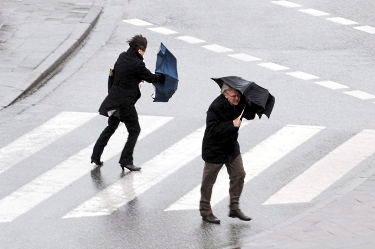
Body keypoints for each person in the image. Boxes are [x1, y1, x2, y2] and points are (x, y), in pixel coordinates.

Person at [91, 34, 165, 171]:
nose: (145, 52)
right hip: (124, 103)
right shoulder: (137, 64)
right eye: (144, 50)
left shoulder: (122, 56)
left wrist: (136, 79)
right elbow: (151, 77)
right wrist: (163, 77)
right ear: (140, 49)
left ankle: (95, 155)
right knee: (134, 130)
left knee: (111, 127)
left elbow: (121, 75)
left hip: (114, 99)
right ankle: (126, 160)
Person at [200, 83, 257, 224]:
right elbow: (212, 129)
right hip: (215, 149)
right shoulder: (215, 107)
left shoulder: (240, 100)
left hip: (231, 147)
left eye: (238, 95)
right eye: (234, 96)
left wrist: (250, 105)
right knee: (208, 182)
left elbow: (249, 116)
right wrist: (231, 124)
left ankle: (234, 208)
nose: (237, 98)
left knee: (239, 174)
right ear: (225, 94)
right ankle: (205, 211)